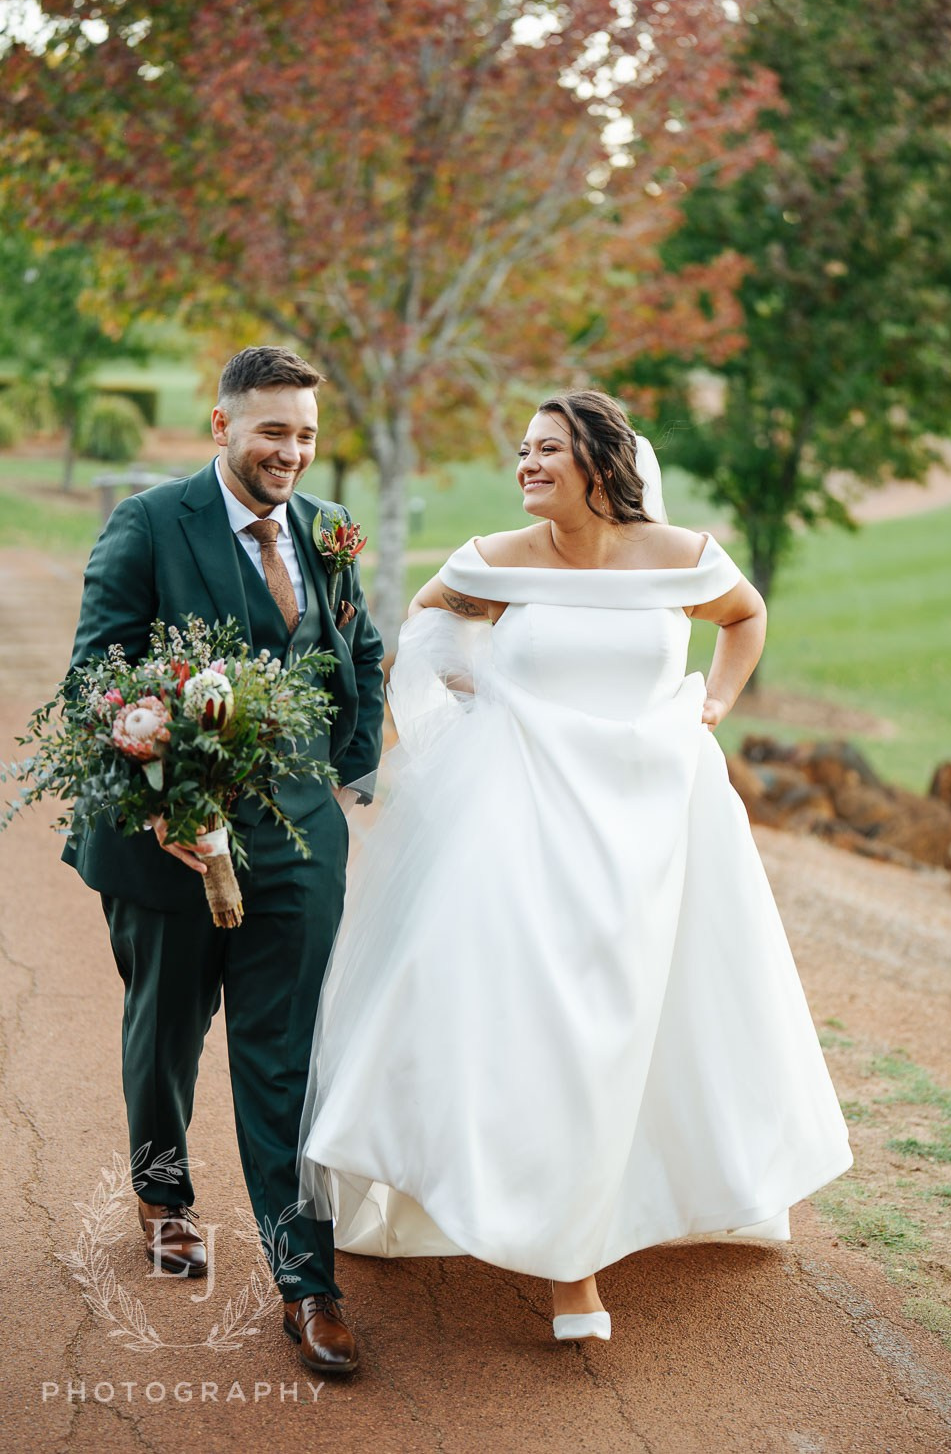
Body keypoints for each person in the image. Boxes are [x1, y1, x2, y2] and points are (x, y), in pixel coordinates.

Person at [301, 387, 851, 1344]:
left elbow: (746, 617)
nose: (526, 465)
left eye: (547, 449)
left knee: (640, 1020)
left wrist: (710, 708)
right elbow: (421, 630)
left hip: (653, 818)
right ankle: (572, 1270)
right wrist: (480, 695)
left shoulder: (680, 557)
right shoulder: (497, 561)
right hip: (523, 814)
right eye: (522, 450)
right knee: (545, 1019)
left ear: (601, 461)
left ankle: (627, 1205)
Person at [64, 345, 383, 1374]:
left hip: (297, 847)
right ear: (221, 427)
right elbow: (94, 679)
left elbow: (360, 651)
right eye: (271, 432)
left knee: (282, 1057)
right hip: (167, 846)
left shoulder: (328, 530)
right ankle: (163, 1195)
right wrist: (163, 800)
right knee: (165, 1034)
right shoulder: (151, 525)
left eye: (305, 434)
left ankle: (306, 1281)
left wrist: (340, 773)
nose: (290, 451)